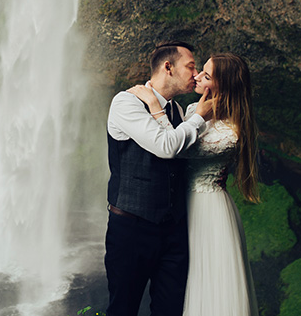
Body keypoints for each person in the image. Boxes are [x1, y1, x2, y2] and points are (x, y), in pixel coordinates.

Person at [128, 52, 260, 316]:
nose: (197, 75)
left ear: (223, 87)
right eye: (201, 70)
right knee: (179, 281)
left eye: (207, 76)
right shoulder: (190, 110)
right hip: (179, 207)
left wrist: (153, 103)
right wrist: (196, 115)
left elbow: (174, 148)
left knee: (209, 280)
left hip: (208, 210)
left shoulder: (230, 132)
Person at [105, 41, 213, 316]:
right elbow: (166, 147)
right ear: (168, 67)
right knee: (123, 309)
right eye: (190, 66)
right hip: (131, 229)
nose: (196, 73)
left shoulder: (177, 111)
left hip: (173, 232)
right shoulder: (126, 102)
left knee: (170, 309)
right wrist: (199, 118)